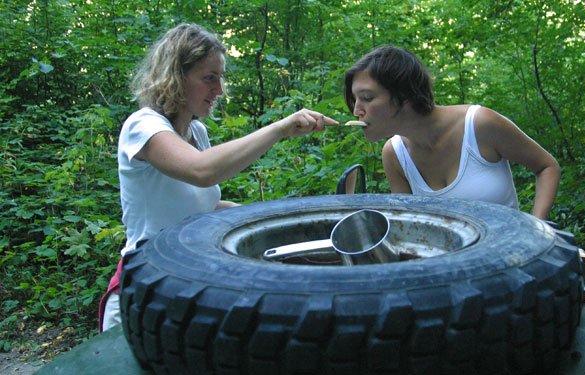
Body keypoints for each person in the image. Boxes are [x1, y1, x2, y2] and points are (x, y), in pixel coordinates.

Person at [99, 23, 338, 332]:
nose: (219, 90)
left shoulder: (196, 131)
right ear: (175, 76)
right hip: (145, 289)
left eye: (220, 77)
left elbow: (202, 209)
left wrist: (280, 222)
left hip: (185, 282)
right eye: (209, 78)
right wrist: (280, 128)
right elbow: (202, 171)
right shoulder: (143, 126)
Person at [344, 46, 560, 219]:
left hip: (510, 260)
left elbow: (547, 167)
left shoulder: (480, 124)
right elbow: (410, 223)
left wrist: (537, 227)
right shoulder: (394, 154)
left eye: (368, 98)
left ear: (405, 95)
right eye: (355, 100)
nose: (356, 111)